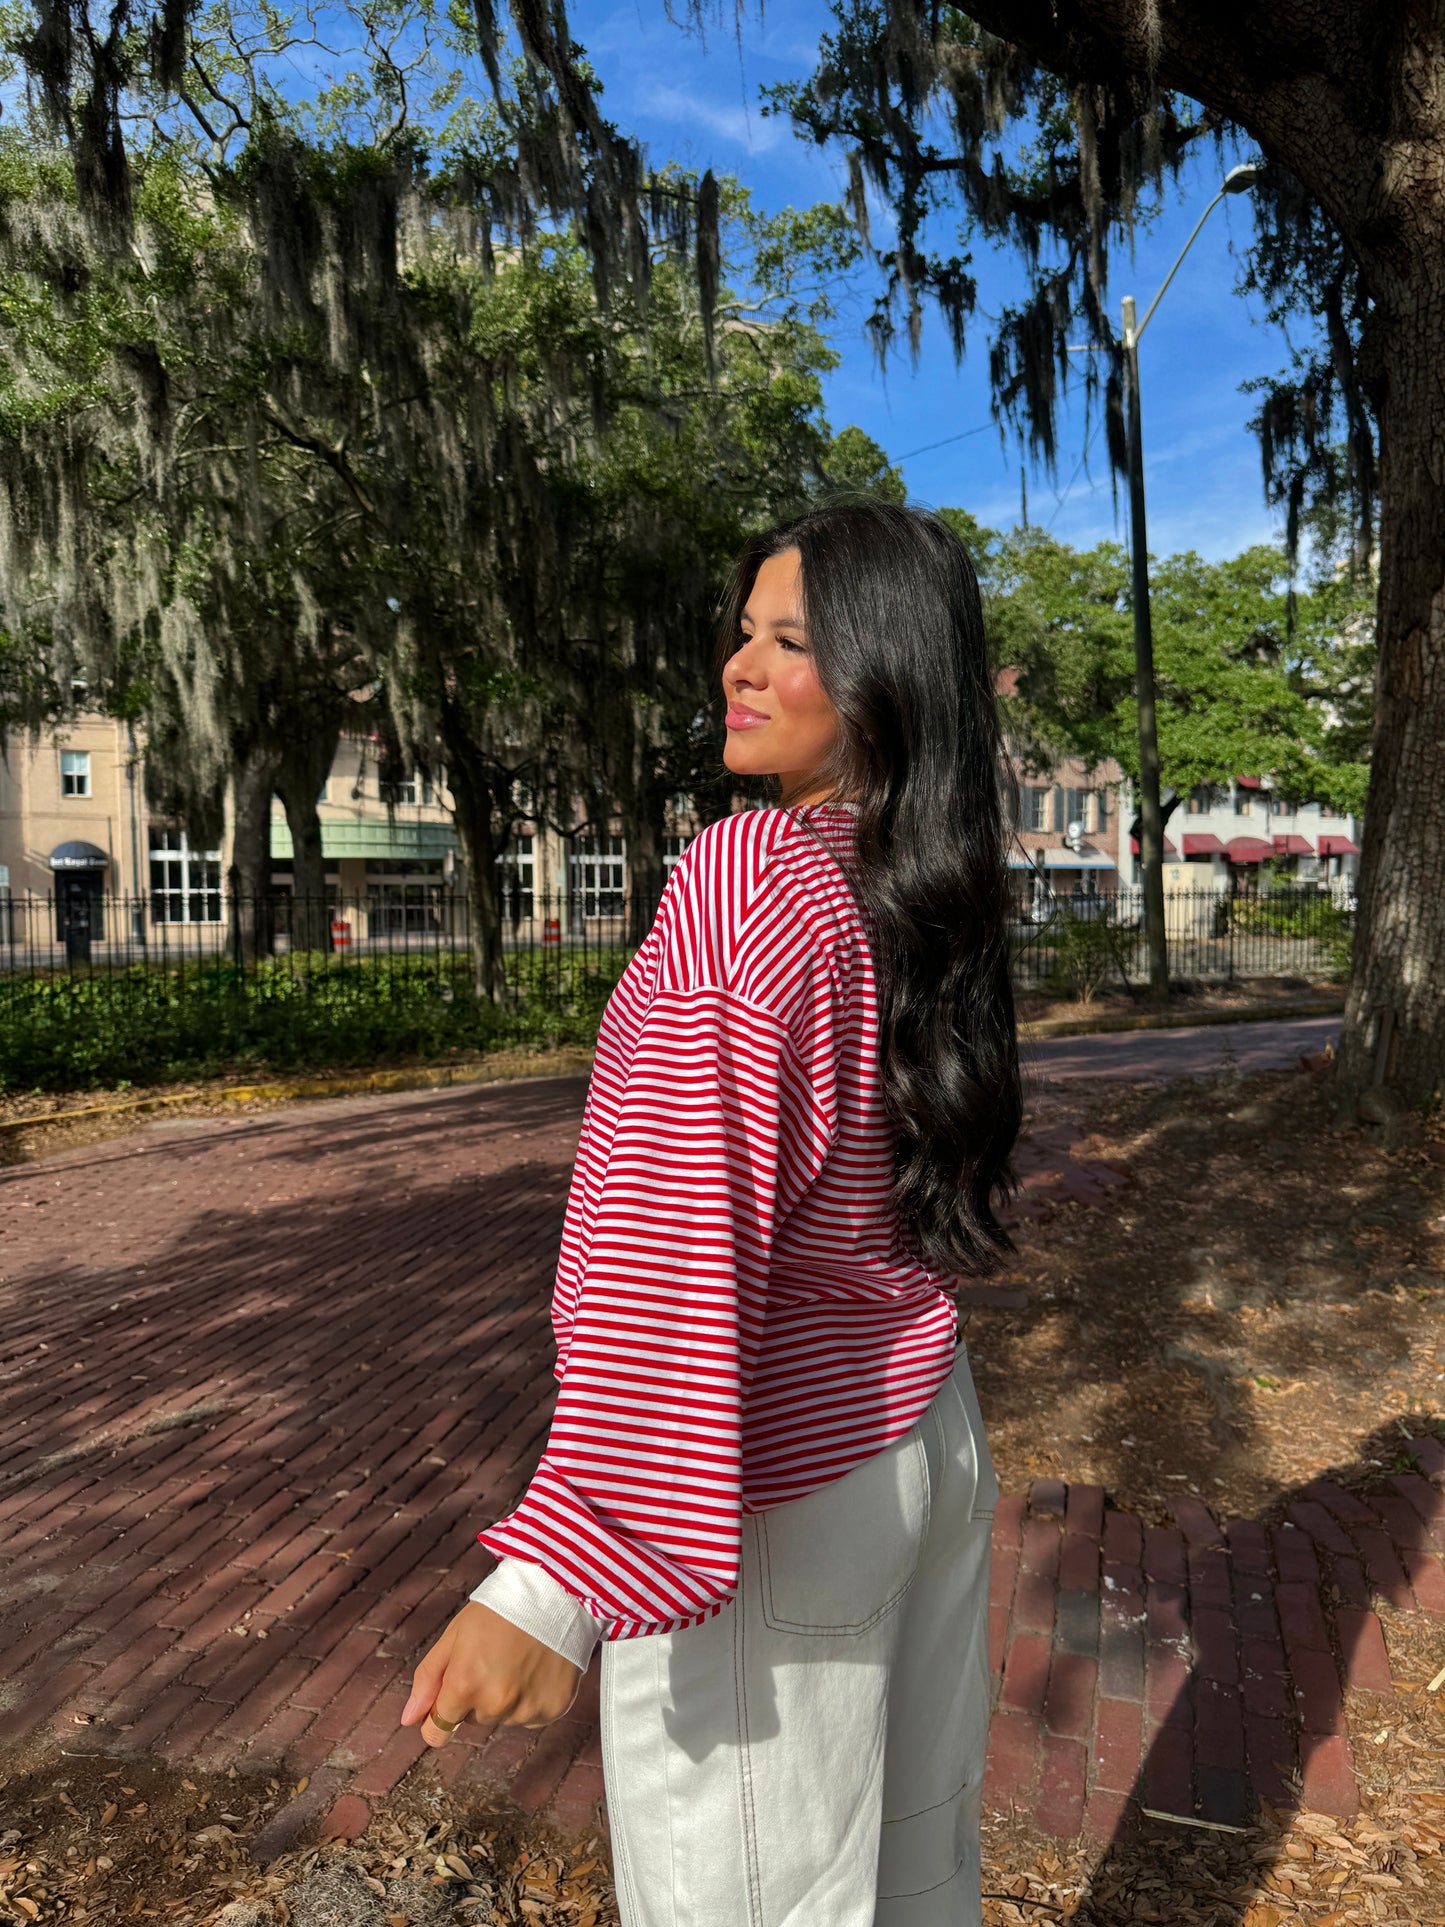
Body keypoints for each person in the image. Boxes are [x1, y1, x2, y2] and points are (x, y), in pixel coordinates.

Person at [400, 501, 1024, 1925]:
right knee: (912, 1869)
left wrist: (556, 1575)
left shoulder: (750, 879)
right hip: (920, 1428)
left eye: (791, 641)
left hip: (775, 1483)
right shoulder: (914, 890)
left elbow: (669, 1240)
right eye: (741, 632)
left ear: (885, 678)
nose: (739, 666)